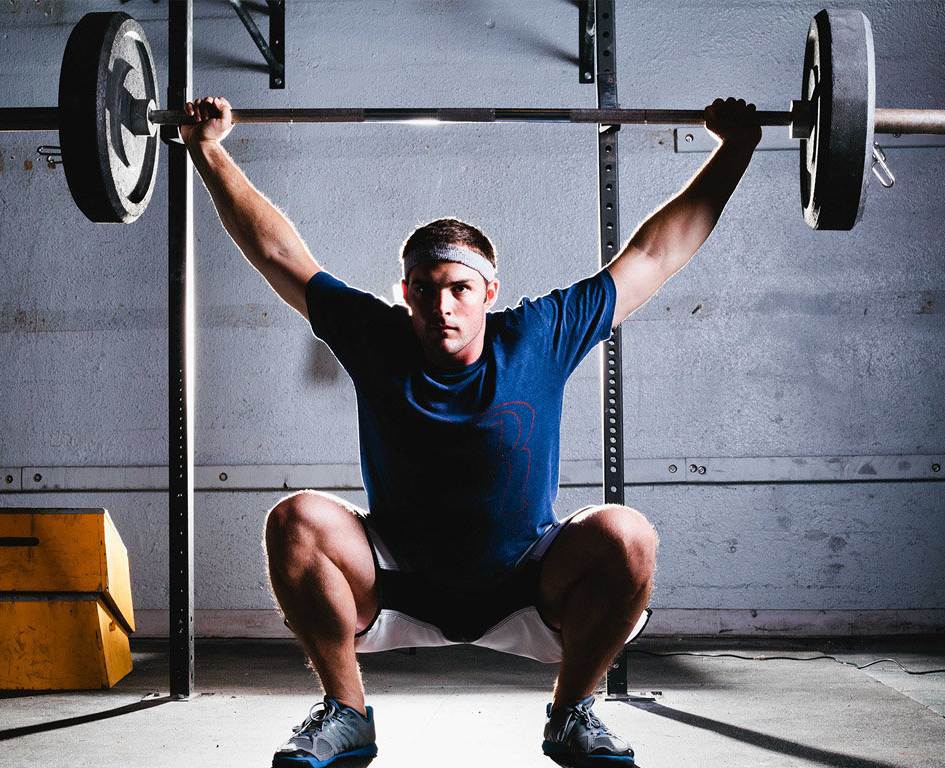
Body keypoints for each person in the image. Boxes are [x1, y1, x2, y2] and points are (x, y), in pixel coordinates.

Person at [181, 96, 760, 768]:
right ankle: (347, 714)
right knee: (295, 521)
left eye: (458, 288)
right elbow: (277, 251)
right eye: (424, 289)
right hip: (395, 582)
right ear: (405, 294)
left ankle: (572, 713)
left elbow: (656, 254)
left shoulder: (540, 335)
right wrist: (208, 150)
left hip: (528, 585)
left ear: (489, 291)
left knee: (629, 536)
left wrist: (735, 151)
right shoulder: (375, 337)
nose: (441, 306)